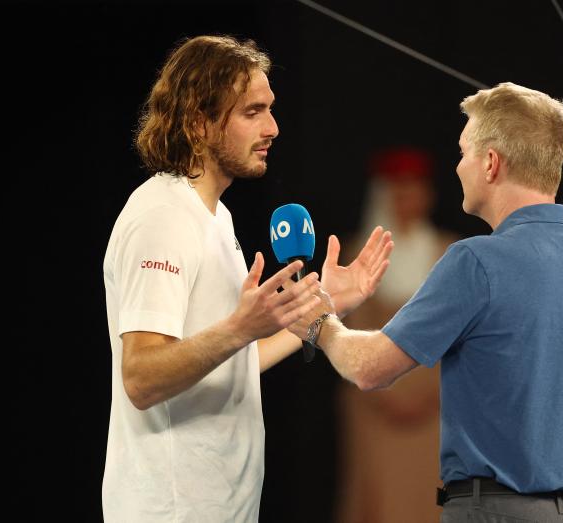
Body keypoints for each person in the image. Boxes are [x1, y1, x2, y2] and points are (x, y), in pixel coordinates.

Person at [290, 82, 563, 522]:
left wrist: (319, 321)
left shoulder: (474, 261)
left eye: (463, 153)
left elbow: (369, 369)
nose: (458, 168)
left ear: (491, 163)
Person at [102, 35, 392, 522]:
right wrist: (239, 327)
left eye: (271, 110)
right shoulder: (163, 217)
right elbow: (141, 377)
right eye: (252, 112)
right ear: (199, 123)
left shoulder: (216, 219)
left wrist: (324, 307)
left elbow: (225, 364)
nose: (273, 127)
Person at [336, 147, 456, 523]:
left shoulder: (450, 252)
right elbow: (348, 329)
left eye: (414, 188)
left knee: (427, 497)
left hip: (435, 407)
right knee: (378, 497)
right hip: (374, 406)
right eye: (397, 189)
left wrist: (430, 393)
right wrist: (383, 391)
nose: (406, 199)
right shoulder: (360, 253)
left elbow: (459, 334)